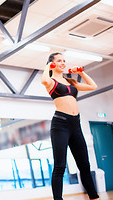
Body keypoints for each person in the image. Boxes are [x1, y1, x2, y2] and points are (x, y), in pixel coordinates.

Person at [41, 52, 99, 200]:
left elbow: (93, 86)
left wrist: (81, 72)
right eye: (59, 61)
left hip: (76, 125)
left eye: (64, 60)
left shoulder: (71, 82)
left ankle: (94, 197)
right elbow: (44, 80)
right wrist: (48, 66)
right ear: (52, 63)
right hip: (60, 125)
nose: (63, 63)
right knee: (60, 166)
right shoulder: (51, 81)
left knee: (85, 166)